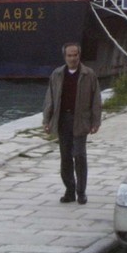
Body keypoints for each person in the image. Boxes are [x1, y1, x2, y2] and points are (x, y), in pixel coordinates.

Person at [42, 42, 101, 204]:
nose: (73, 58)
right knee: (65, 156)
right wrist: (47, 120)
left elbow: (96, 99)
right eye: (69, 55)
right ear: (65, 57)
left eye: (75, 55)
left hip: (80, 120)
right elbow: (50, 98)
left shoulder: (89, 75)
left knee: (79, 155)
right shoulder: (57, 74)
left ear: (79, 55)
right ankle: (70, 190)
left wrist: (96, 121)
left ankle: (81, 192)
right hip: (63, 120)